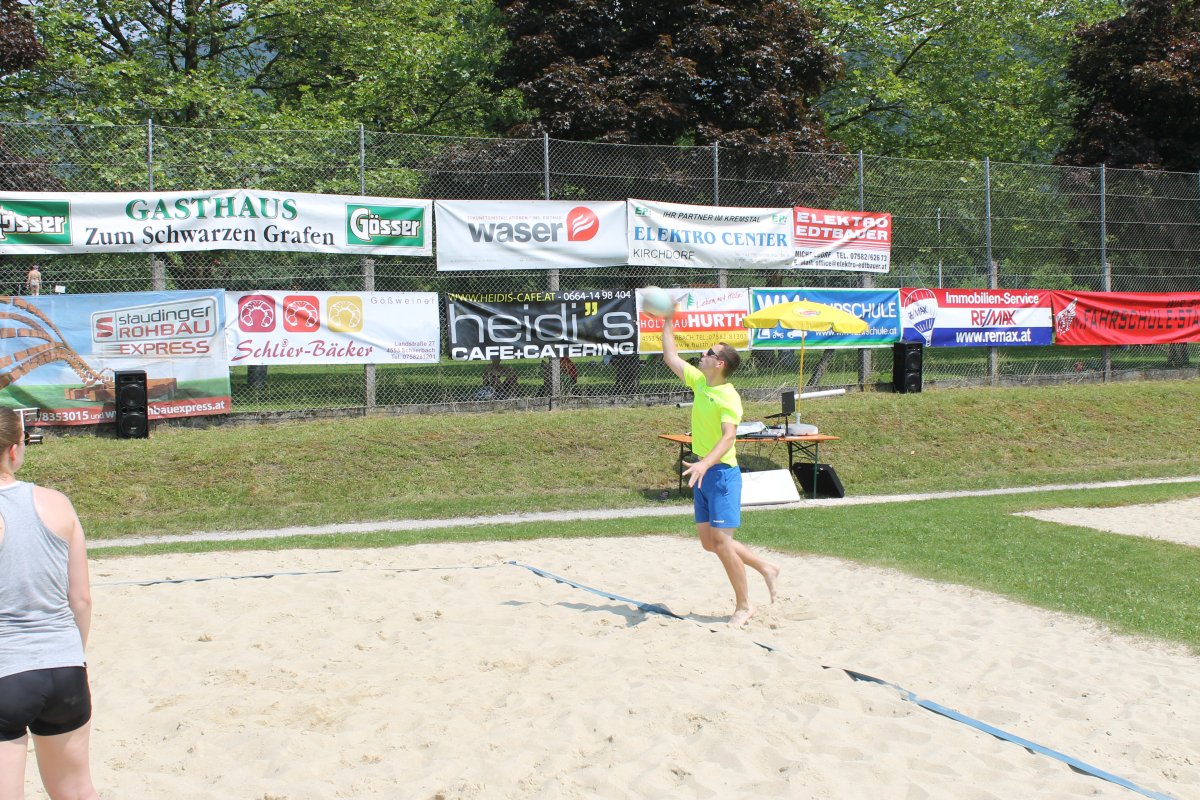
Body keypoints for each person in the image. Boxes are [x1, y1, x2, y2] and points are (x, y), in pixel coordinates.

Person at [0, 408, 98, 800]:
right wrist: (73, 654)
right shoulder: (56, 502)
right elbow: (81, 599)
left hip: (6, 670)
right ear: (13, 450)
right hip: (64, 669)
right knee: (77, 791)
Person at [660, 315, 779, 628]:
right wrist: (668, 321)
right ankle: (765, 567)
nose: (702, 355)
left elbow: (729, 437)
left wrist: (704, 463)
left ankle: (744, 606)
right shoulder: (700, 382)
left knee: (723, 544)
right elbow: (670, 356)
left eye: (709, 353)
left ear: (720, 363)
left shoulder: (729, 396)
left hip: (721, 473)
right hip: (703, 470)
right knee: (708, 542)